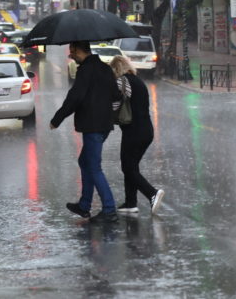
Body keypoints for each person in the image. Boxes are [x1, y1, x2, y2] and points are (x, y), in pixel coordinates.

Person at [50, 41, 122, 223]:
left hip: (92, 125)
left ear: (78, 50)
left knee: (94, 167)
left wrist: (57, 119)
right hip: (104, 125)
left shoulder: (85, 70)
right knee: (85, 162)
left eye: (71, 51)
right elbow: (116, 95)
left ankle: (109, 209)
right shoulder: (105, 68)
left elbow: (75, 97)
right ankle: (84, 205)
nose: (71, 55)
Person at [110, 55, 164, 215]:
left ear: (116, 69)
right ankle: (130, 203)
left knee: (128, 167)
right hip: (146, 130)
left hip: (133, 131)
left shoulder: (122, 81)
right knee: (131, 166)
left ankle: (152, 193)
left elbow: (115, 104)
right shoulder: (138, 81)